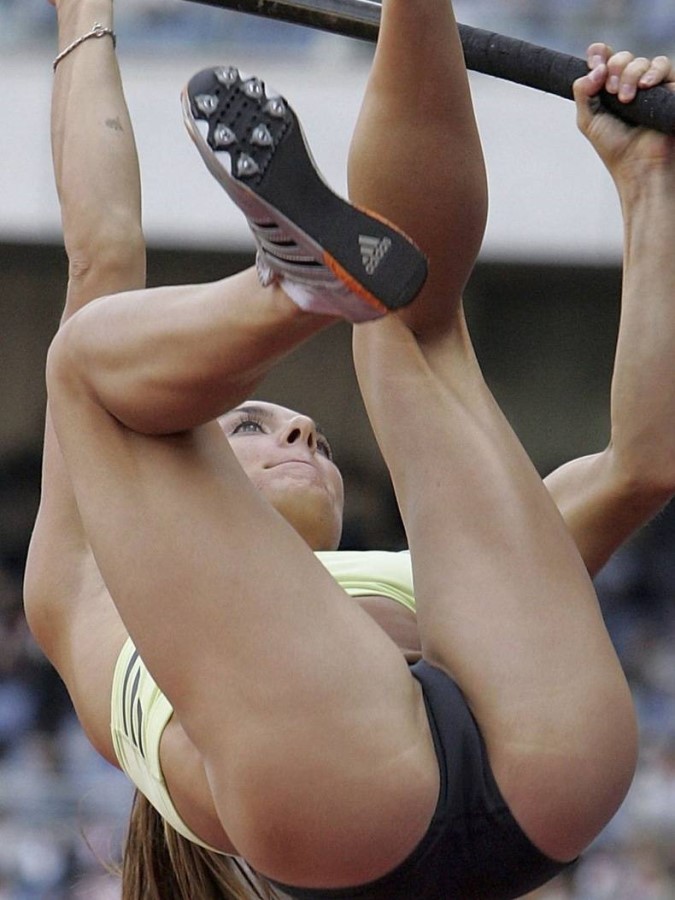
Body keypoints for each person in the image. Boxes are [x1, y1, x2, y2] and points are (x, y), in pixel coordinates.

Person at [23, 0, 675, 895]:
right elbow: (101, 262)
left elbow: (643, 466)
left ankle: (313, 270)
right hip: (383, 799)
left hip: (534, 767)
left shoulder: (426, 576)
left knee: (413, 330)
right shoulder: (86, 587)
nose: (296, 429)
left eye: (313, 438)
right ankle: (292, 290)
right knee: (90, 367)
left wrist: (649, 185)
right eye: (248, 423)